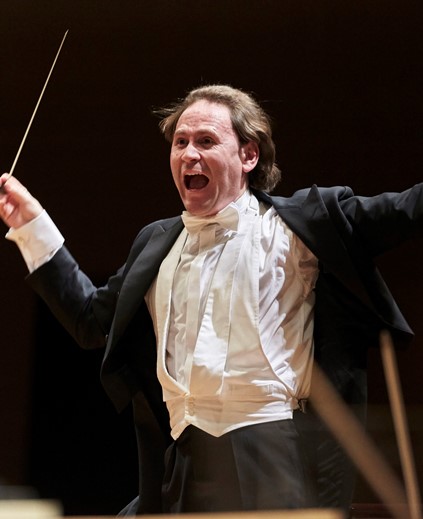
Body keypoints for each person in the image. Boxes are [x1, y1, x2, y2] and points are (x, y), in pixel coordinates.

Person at [0, 84, 422, 516]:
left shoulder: (295, 228)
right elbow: (90, 320)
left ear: (248, 155)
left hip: (271, 452)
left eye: (206, 141)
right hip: (183, 455)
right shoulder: (156, 243)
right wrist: (32, 226)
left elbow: (407, 209)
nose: (189, 154)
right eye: (180, 142)